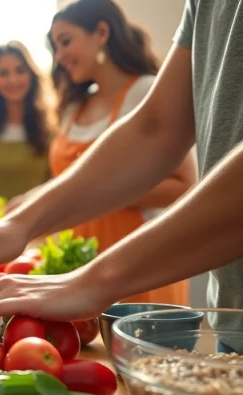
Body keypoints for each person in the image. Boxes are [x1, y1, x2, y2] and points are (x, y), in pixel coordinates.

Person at [0, 0, 243, 353]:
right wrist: (20, 225)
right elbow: (155, 129)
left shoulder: (137, 85)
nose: (59, 55)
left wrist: (93, 281)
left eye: (66, 41)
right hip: (231, 319)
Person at [11, 0, 198, 305]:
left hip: (136, 262)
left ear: (100, 32)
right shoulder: (74, 106)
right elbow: (68, 180)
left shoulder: (146, 93)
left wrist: (100, 188)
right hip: (77, 266)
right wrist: (34, 199)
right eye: (55, 47)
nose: (59, 56)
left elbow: (183, 187)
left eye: (66, 41)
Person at [0, 41, 57, 200]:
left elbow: (57, 184)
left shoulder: (51, 123)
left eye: (20, 70)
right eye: (3, 73)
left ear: (32, 74)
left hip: (40, 221)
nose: (13, 80)